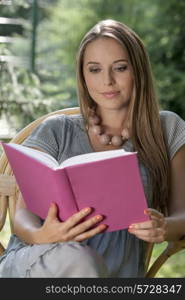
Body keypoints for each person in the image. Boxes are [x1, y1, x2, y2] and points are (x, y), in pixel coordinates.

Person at [0, 19, 185, 278]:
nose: (107, 81)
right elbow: (22, 218)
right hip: (39, 264)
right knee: (76, 258)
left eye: (120, 68)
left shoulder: (166, 128)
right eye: (94, 69)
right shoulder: (57, 130)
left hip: (114, 274)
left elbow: (183, 216)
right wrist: (42, 234)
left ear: (138, 70)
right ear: (83, 75)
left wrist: (163, 226)